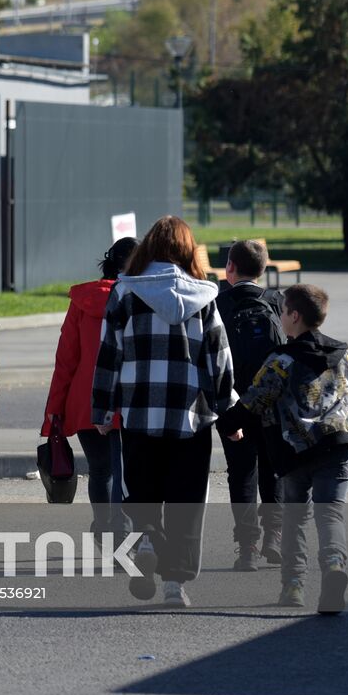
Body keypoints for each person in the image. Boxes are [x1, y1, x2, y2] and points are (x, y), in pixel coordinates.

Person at [90, 215, 235, 608]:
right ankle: (176, 585)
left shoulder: (124, 292)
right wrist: (229, 414)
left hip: (139, 415)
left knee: (143, 494)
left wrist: (103, 411)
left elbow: (109, 356)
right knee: (187, 502)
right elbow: (219, 359)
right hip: (192, 417)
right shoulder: (205, 296)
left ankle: (149, 540)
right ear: (189, 251)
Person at [235, 284, 348, 614]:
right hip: (339, 445)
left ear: (295, 317)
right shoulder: (343, 353)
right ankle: (333, 567)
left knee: (295, 518)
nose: (281, 316)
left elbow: (255, 400)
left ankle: (294, 586)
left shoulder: (280, 360)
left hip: (295, 449)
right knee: (331, 514)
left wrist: (228, 425)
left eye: (283, 311)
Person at [42, 236, 138, 537]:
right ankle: (121, 531)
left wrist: (53, 411)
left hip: (85, 400)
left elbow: (66, 360)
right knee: (128, 471)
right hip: (130, 396)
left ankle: (103, 527)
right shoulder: (141, 297)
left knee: (100, 469)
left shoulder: (82, 301)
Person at [214, 240, 287, 571]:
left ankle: (248, 548)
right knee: (274, 469)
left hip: (234, 403)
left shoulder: (217, 304)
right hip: (274, 404)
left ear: (230, 266)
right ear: (264, 268)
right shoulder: (278, 301)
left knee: (241, 473)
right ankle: (274, 537)